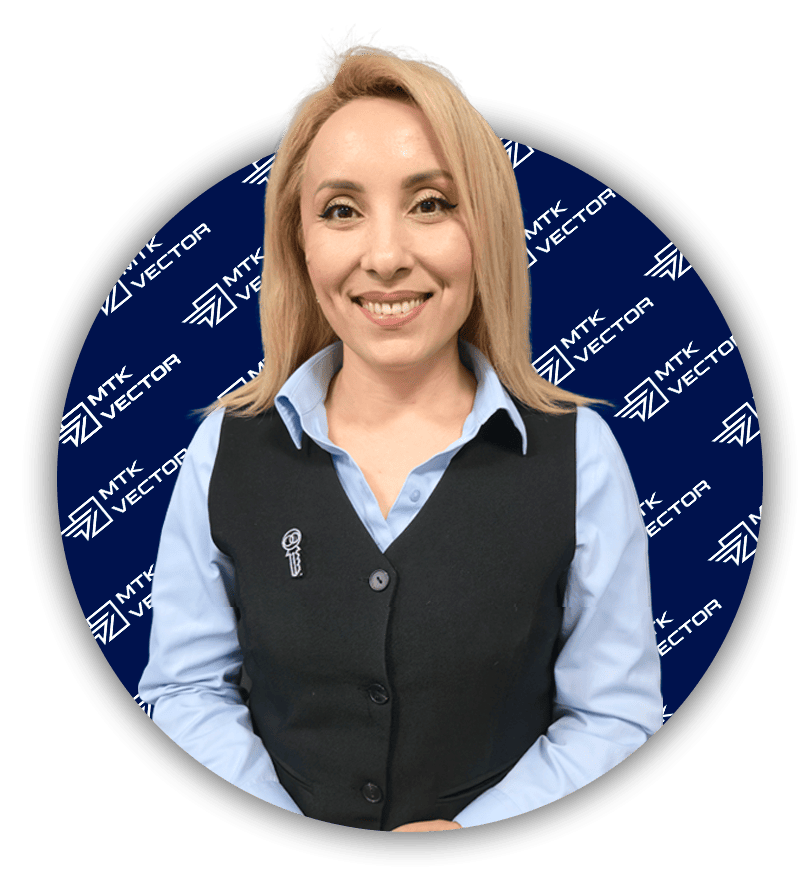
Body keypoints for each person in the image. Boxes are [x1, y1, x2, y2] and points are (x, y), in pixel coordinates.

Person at [138, 32, 662, 833]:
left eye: (431, 204)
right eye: (341, 211)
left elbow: (614, 718)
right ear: (299, 242)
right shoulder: (223, 448)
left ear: (485, 229)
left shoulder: (581, 453)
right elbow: (184, 692)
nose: (384, 257)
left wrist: (474, 839)